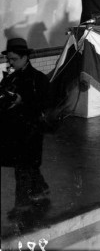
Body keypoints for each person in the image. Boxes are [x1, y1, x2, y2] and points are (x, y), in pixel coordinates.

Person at [1, 38, 51, 221]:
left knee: (22, 168)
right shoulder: (11, 77)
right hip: (14, 132)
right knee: (27, 165)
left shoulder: (38, 79)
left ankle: (21, 206)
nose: (10, 63)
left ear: (25, 57)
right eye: (9, 59)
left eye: (14, 59)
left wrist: (23, 101)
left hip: (31, 131)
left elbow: (44, 105)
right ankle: (41, 188)